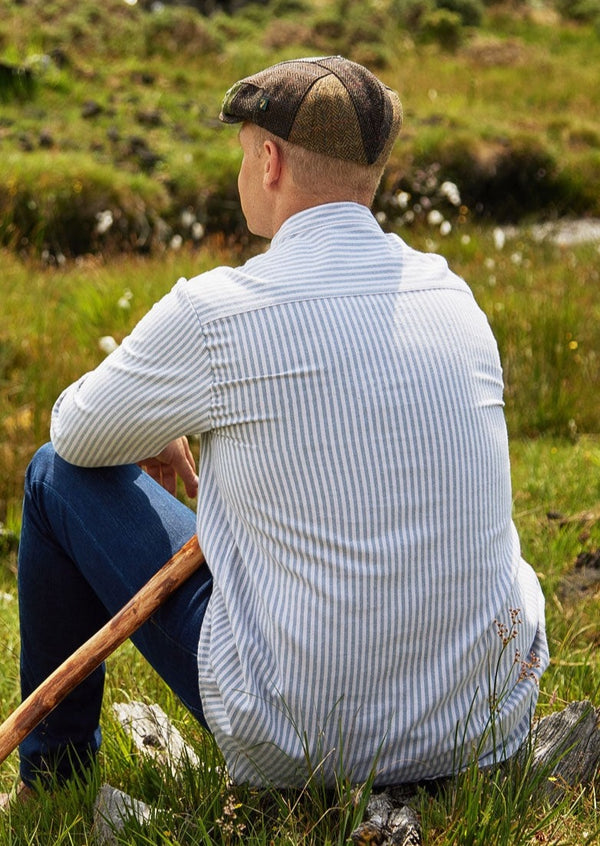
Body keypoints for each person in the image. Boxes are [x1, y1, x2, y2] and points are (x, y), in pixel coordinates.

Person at [2, 55, 548, 805]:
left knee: (52, 477)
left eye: (242, 151)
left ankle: (54, 780)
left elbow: (77, 433)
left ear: (269, 161)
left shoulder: (218, 312)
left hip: (298, 740)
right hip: (482, 723)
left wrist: (147, 426)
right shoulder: (455, 297)